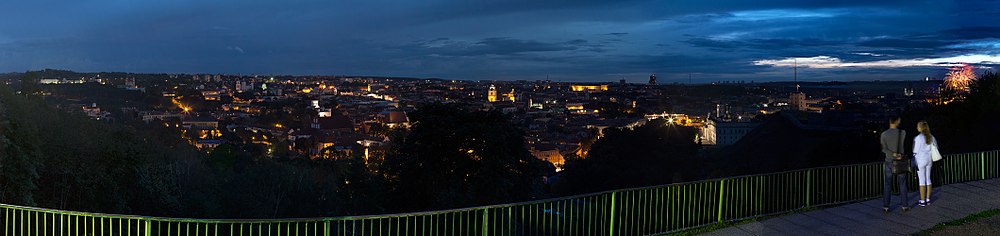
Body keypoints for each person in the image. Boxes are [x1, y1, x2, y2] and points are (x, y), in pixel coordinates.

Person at [880, 116, 909, 212]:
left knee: (887, 184)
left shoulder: (884, 134)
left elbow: (883, 149)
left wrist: (892, 154)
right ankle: (904, 205)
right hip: (900, 161)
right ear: (897, 121)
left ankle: (886, 206)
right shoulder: (903, 133)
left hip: (889, 160)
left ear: (890, 121)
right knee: (902, 183)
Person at [913, 121, 937, 207]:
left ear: (921, 127)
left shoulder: (918, 138)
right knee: (928, 179)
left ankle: (922, 200)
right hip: (929, 160)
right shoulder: (931, 137)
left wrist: (914, 160)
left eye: (918, 126)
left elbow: (915, 151)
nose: (917, 127)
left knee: (922, 180)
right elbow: (935, 147)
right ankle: (928, 199)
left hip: (920, 161)